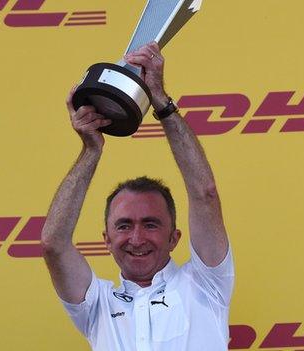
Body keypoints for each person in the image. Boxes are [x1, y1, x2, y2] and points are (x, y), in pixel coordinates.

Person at [41, 42, 233, 351]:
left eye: (151, 224)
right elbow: (53, 244)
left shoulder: (206, 283)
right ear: (106, 239)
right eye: (124, 225)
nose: (137, 237)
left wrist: (161, 102)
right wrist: (91, 150)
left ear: (174, 237)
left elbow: (204, 194)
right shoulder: (96, 304)